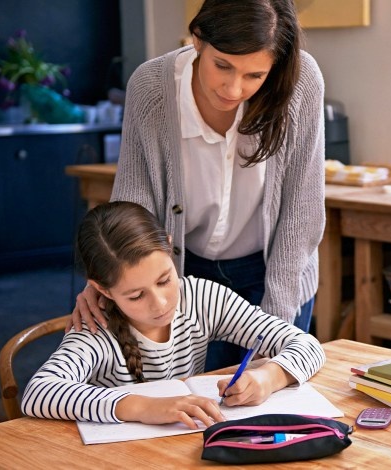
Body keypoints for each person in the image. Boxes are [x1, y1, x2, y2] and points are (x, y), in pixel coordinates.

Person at [70, 0, 326, 371]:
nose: (234, 88)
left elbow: (302, 212)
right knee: (200, 404)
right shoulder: (152, 87)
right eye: (222, 65)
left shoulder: (300, 83)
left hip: (276, 268)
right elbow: (132, 206)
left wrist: (276, 324)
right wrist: (112, 277)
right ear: (197, 39)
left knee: (267, 402)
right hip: (187, 276)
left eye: (254, 75)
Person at [23, 201, 325, 426]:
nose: (160, 303)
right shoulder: (95, 326)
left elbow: (307, 345)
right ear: (102, 290)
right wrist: (142, 407)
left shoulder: (202, 298)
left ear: (169, 247)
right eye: (136, 295)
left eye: (165, 280)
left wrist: (268, 377)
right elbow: (39, 393)